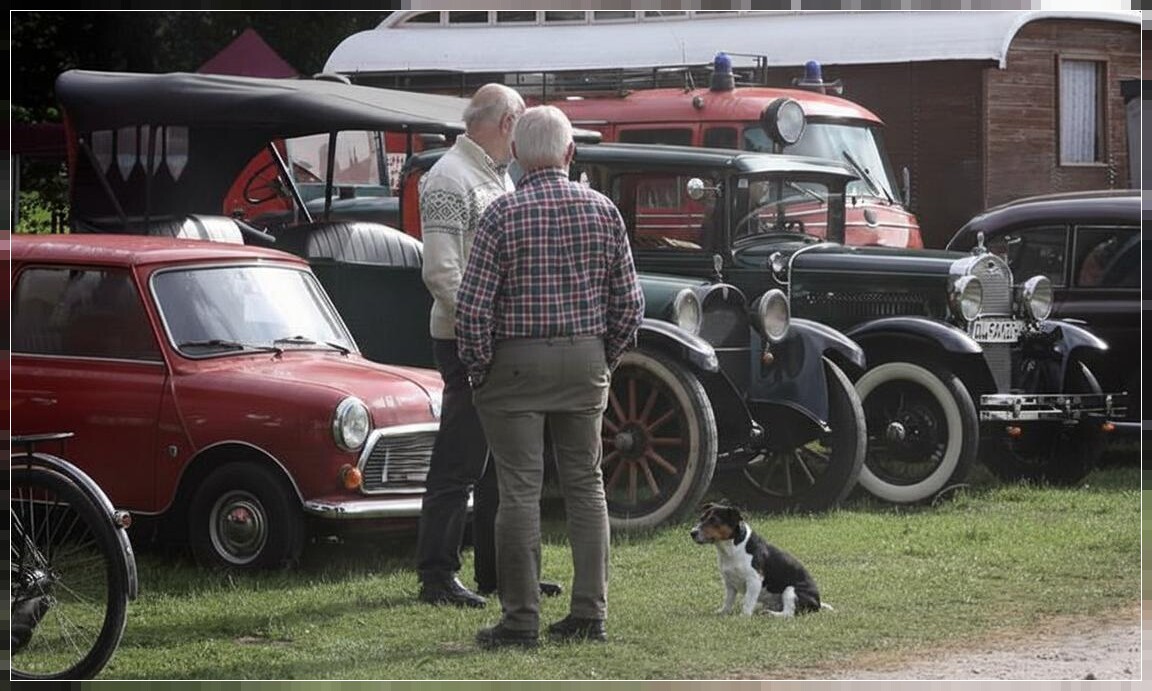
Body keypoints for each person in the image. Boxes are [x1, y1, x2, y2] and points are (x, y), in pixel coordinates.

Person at [456, 105, 645, 649]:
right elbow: (629, 304)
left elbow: (473, 308)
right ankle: (589, 612)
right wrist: (603, 359)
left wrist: (478, 367)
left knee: (519, 492)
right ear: (569, 153)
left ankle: (520, 619)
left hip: (514, 363)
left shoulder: (501, 214)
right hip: (584, 360)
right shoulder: (604, 211)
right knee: (587, 487)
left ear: (516, 153)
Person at [415, 83, 560, 608]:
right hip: (467, 342)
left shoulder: (491, 177)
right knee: (461, 460)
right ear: (507, 124)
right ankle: (437, 575)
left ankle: (497, 573)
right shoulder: (452, 177)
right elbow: (441, 272)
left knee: (502, 462)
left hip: (489, 338)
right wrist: (486, 332)